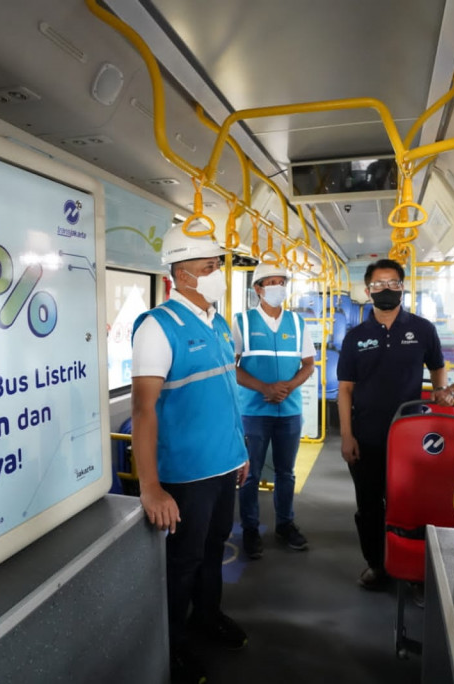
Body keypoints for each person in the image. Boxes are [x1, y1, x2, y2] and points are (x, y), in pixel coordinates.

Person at [131, 224, 250, 684]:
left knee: (214, 548)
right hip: (185, 474)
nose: (217, 273)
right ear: (181, 275)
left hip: (224, 465)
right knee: (182, 562)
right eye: (208, 267)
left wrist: (239, 452)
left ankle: (208, 615)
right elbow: (144, 411)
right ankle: (172, 644)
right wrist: (151, 486)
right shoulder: (158, 328)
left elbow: (224, 394)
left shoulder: (218, 322)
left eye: (217, 265)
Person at [336, 258, 453, 590]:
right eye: (378, 285)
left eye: (392, 284)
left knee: (410, 504)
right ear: (367, 290)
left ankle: (413, 567)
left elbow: (437, 366)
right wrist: (346, 436)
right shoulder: (355, 337)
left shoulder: (422, 329)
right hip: (367, 434)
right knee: (369, 506)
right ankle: (376, 564)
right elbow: (345, 389)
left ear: (403, 287)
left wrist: (441, 392)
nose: (385, 290)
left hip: (411, 437)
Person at [233, 261, 316, 559]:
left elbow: (308, 364)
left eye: (283, 282)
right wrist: (265, 388)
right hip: (253, 412)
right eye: (272, 282)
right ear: (258, 288)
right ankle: (251, 530)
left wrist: (288, 387)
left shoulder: (297, 323)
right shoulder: (241, 321)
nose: (279, 287)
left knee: (286, 473)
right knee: (250, 475)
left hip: (289, 411)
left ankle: (285, 524)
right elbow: (233, 367)